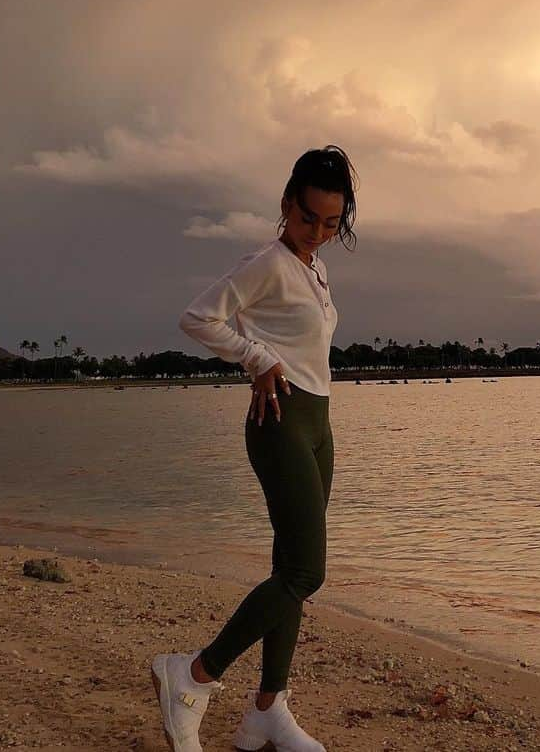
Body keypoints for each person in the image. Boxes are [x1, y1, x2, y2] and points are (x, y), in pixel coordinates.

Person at [151, 145, 358, 752]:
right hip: (279, 420)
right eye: (307, 219)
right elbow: (198, 317)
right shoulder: (266, 262)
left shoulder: (314, 269)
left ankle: (268, 710)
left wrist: (271, 353)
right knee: (304, 572)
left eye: (330, 224)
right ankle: (190, 675)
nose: (316, 233)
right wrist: (256, 358)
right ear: (287, 205)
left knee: (289, 569)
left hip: (318, 421)